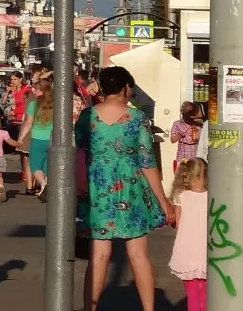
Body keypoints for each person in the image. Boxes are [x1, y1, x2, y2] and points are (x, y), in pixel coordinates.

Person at [77, 67, 175, 311]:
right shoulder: (137, 119)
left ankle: (90, 307)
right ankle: (149, 308)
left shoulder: (87, 116)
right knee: (138, 255)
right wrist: (163, 201)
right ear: (125, 88)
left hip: (96, 189)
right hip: (131, 190)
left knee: (98, 256)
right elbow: (147, 162)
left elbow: (74, 151)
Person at [167, 158, 208, 311]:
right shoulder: (211, 195)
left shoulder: (180, 195)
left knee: (192, 295)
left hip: (187, 249)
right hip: (206, 249)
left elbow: (177, 224)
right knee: (205, 293)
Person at [18, 78, 53, 198]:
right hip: (52, 138)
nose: (33, 91)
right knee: (47, 165)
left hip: (37, 138)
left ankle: (43, 184)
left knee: (34, 165)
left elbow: (28, 123)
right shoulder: (55, 104)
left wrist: (21, 138)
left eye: (36, 89)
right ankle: (46, 185)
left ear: (41, 91)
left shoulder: (34, 104)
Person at [169, 101, 202, 180]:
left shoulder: (198, 124)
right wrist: (179, 135)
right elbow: (172, 140)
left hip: (195, 152)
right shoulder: (177, 124)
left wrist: (198, 135)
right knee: (183, 176)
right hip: (183, 153)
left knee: (195, 175)